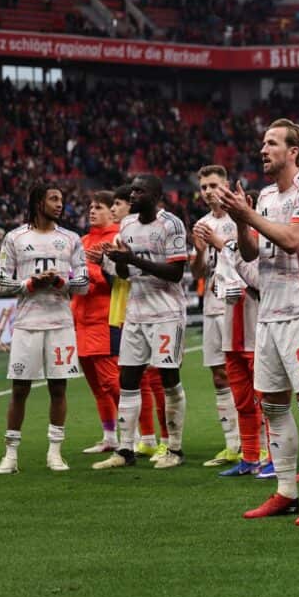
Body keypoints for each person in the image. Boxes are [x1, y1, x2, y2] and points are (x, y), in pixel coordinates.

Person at [220, 118, 299, 526]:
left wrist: (247, 215)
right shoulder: (266, 195)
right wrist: (241, 218)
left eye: (272, 144)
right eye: (262, 143)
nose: (263, 150)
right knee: (272, 405)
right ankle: (287, 491)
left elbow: (292, 240)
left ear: (293, 152)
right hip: (269, 313)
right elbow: (252, 254)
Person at [92, 174, 190, 471]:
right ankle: (125, 449)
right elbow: (123, 274)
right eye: (132, 190)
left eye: (139, 190)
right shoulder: (127, 225)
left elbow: (175, 273)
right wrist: (118, 259)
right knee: (128, 380)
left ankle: (174, 448)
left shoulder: (171, 224)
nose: (133, 195)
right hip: (136, 312)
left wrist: (133, 260)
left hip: (166, 313)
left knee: (168, 379)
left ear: (156, 195)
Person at [0, 182, 88, 474]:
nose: (61, 204)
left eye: (62, 199)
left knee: (58, 388)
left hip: (60, 323)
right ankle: (10, 456)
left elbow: (83, 284)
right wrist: (31, 283)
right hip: (27, 324)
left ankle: (55, 453)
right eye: (54, 199)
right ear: (38, 203)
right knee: (19, 389)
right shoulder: (15, 238)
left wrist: (61, 282)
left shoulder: (71, 239)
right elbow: (1, 282)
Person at [197, 195, 266, 477]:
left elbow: (263, 283)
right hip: (231, 333)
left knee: (268, 400)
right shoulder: (230, 247)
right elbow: (215, 283)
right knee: (242, 400)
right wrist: (219, 284)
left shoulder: (263, 242)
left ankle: (272, 456)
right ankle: (249, 457)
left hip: (256, 330)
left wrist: (223, 249)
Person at [99, 184, 169, 459]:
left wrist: (124, 261)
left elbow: (169, 271)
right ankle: (139, 440)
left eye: (118, 204)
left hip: (158, 311)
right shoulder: (124, 232)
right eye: (114, 203)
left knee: (157, 379)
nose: (117, 207)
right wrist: (109, 262)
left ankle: (165, 440)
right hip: (128, 312)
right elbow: (122, 275)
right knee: (132, 379)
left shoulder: (163, 226)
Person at [190, 165, 241, 467]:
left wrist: (218, 243)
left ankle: (257, 444)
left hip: (238, 306)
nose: (208, 191)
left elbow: (248, 259)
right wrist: (199, 250)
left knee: (244, 374)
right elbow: (198, 272)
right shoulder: (200, 224)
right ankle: (231, 444)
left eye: (213, 185)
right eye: (204, 186)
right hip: (211, 306)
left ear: (225, 185)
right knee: (219, 375)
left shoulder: (240, 219)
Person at [72, 191, 121, 454]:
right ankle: (109, 436)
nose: (92, 211)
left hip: (104, 319)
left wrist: (88, 271)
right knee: (95, 385)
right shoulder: (82, 240)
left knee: (112, 382)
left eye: (98, 207)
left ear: (110, 211)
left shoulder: (116, 239)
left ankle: (133, 434)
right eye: (91, 206)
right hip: (80, 319)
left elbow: (114, 280)